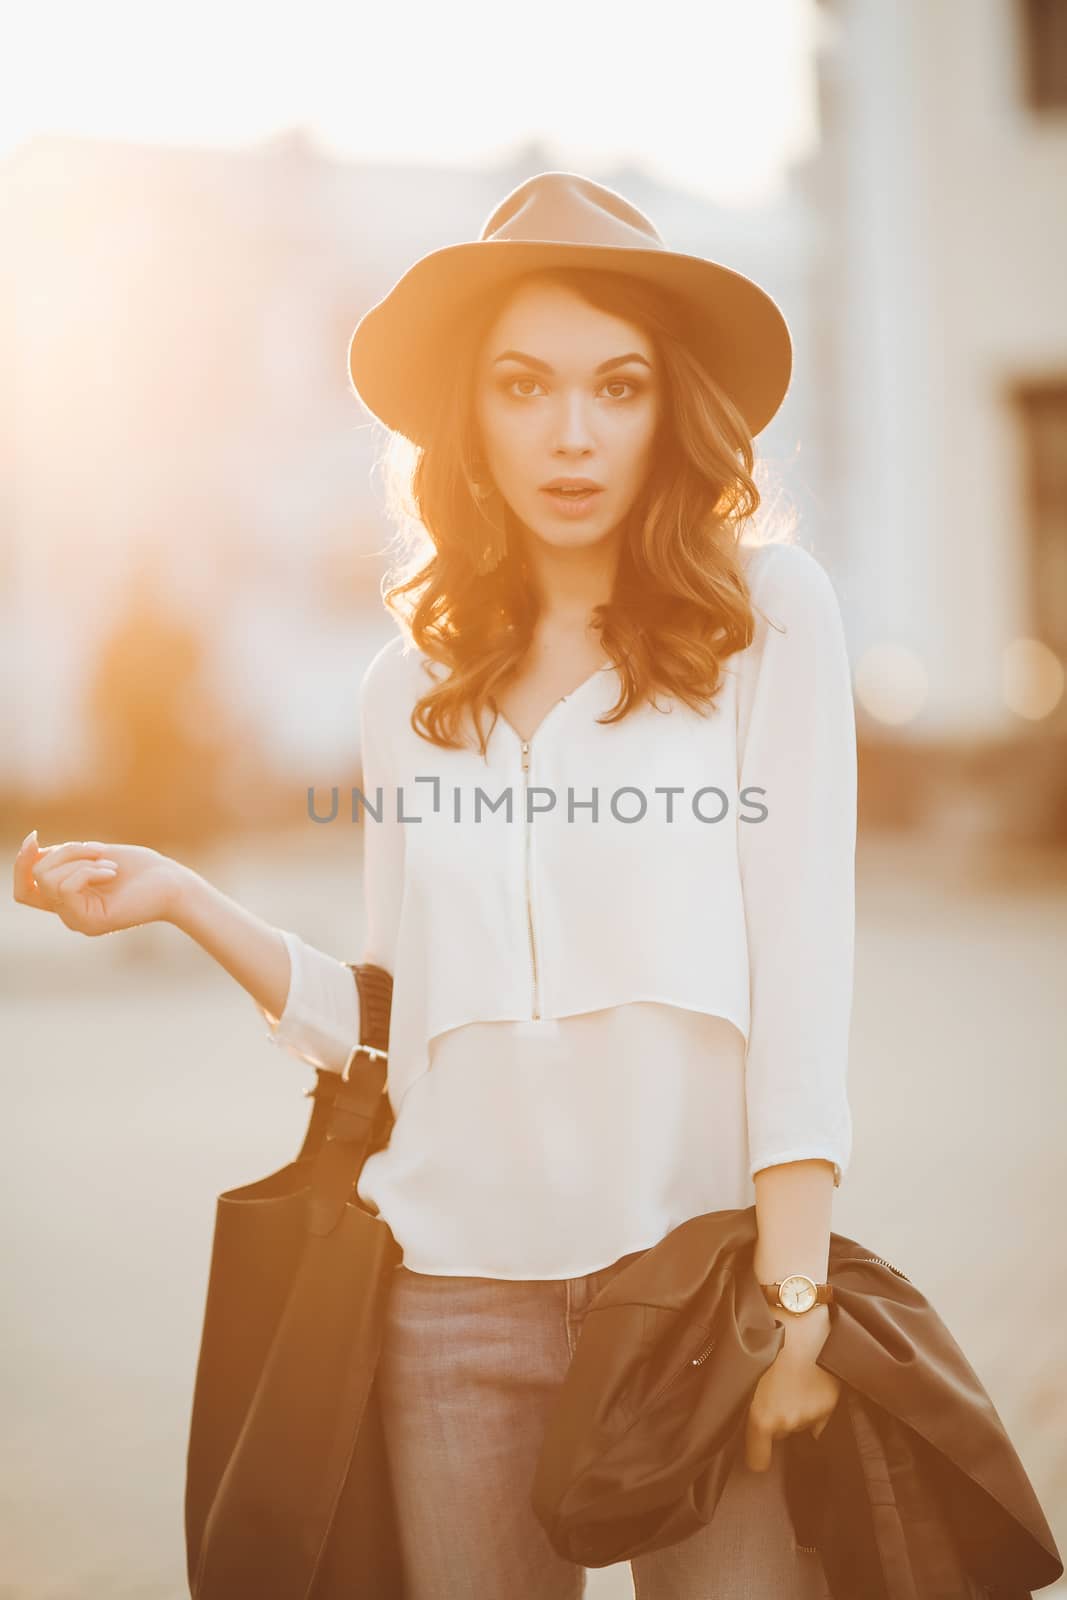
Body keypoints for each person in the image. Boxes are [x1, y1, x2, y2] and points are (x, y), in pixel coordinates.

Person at [12, 173, 855, 1599]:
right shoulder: (406, 689)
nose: (572, 434)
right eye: (524, 387)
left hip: (703, 1301)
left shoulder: (766, 624)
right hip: (453, 1301)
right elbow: (399, 1021)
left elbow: (804, 974)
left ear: (673, 405)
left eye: (618, 385)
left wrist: (796, 1293)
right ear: (469, 416)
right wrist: (187, 901)